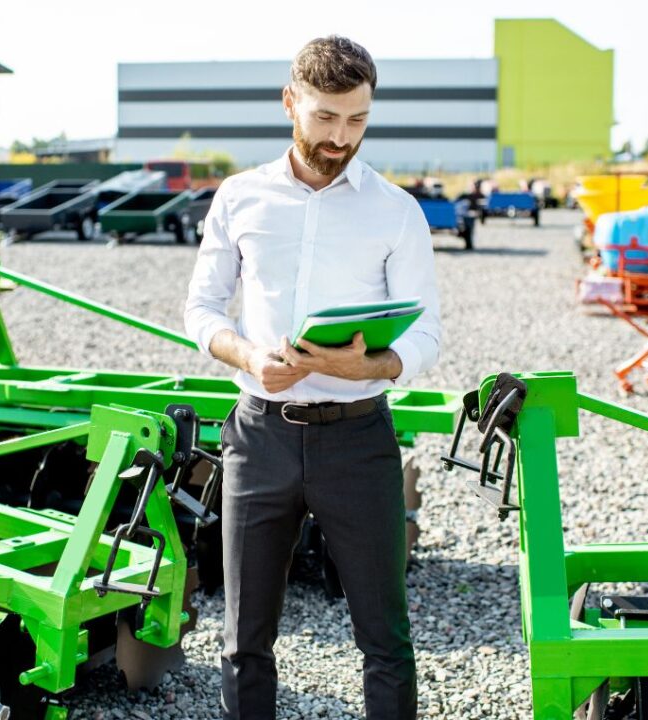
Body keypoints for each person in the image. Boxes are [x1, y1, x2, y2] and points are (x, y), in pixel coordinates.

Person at [184, 35, 441, 720]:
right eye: (326, 117)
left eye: (357, 119)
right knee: (244, 639)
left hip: (359, 441)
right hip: (258, 438)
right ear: (290, 101)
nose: (341, 137)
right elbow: (201, 309)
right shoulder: (240, 198)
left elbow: (427, 333)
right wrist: (246, 356)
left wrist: (375, 366)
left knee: (385, 639)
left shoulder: (396, 211)